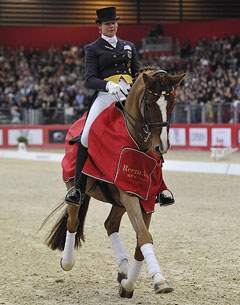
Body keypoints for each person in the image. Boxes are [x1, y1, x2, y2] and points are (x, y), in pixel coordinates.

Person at [65, 6, 174, 207]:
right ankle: (78, 188)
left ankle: (161, 189)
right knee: (87, 135)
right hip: (106, 95)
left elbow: (138, 71)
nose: (111, 26)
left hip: (128, 95)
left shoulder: (128, 45)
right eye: (107, 24)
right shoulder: (93, 48)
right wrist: (107, 84)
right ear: (99, 27)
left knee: (150, 134)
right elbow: (89, 79)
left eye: (114, 23)